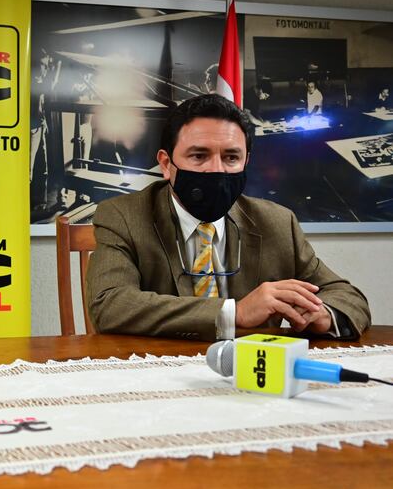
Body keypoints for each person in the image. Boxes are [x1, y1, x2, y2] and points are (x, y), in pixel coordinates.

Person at [85, 94, 370, 341]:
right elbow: (110, 305)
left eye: (231, 157)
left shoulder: (278, 222)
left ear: (246, 161)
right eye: (199, 156)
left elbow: (347, 297)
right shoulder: (123, 216)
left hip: (249, 372)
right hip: (157, 368)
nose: (216, 170)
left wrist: (323, 315)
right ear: (166, 163)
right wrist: (235, 312)